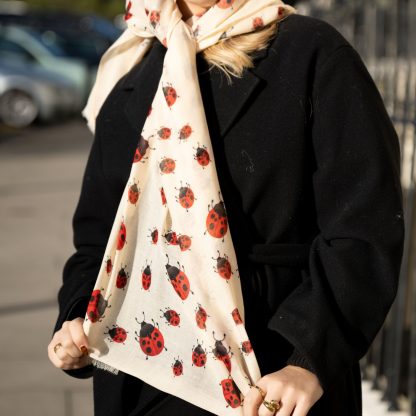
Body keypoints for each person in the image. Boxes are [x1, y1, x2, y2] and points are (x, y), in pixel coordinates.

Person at [47, 0, 405, 415]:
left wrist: (308, 360)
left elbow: (364, 227)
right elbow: (96, 239)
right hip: (139, 371)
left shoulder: (311, 51)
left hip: (269, 372)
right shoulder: (132, 69)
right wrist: (75, 318)